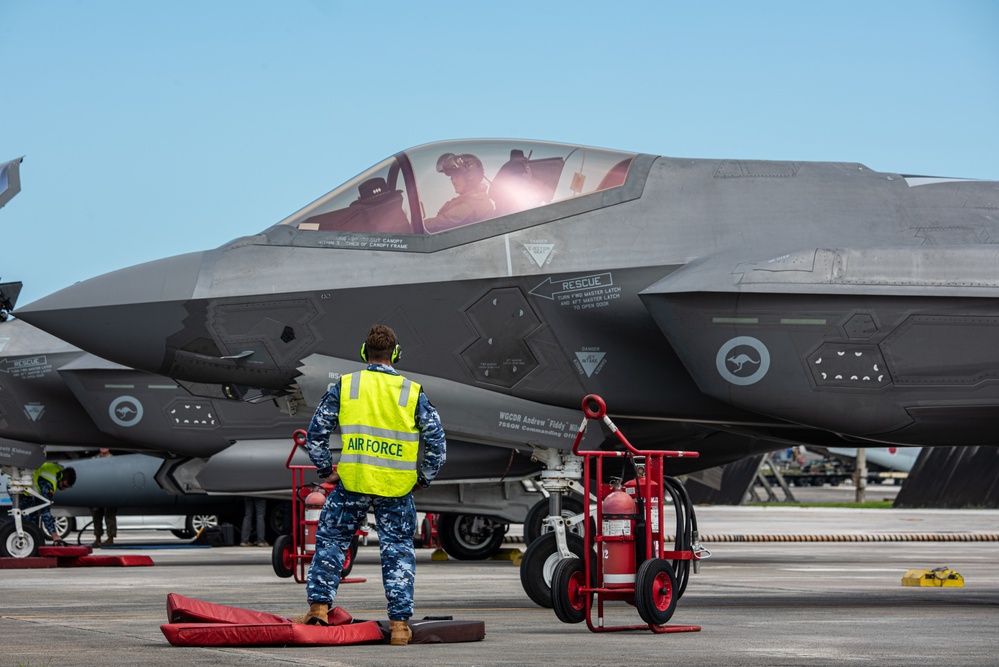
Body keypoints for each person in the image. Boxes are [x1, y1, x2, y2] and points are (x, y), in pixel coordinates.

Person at [295, 324, 447, 646]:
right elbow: (437, 443)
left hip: (353, 481)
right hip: (396, 487)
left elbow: (316, 433)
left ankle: (319, 609)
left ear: (364, 353)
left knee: (333, 541)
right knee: (398, 553)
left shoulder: (347, 385)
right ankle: (400, 626)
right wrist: (423, 478)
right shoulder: (411, 391)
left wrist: (326, 471)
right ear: (395, 353)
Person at [423, 153, 494, 232]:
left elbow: (439, 222)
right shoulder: (467, 199)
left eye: (456, 176)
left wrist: (412, 226)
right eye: (452, 178)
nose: (452, 181)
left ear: (470, 177)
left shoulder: (475, 202)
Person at [19, 462, 76, 546]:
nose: (64, 489)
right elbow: (45, 511)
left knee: (33, 523)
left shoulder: (57, 470)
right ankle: (24, 545)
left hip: (24, 488)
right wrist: (55, 535)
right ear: (60, 478)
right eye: (64, 485)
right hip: (22, 491)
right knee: (28, 524)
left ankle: (32, 544)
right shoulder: (49, 483)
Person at [89, 448, 118, 547]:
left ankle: (110, 538)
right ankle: (98, 538)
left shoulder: (113, 460)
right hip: (97, 490)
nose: (103, 448)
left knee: (109, 515)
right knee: (96, 515)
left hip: (110, 491)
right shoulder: (94, 459)